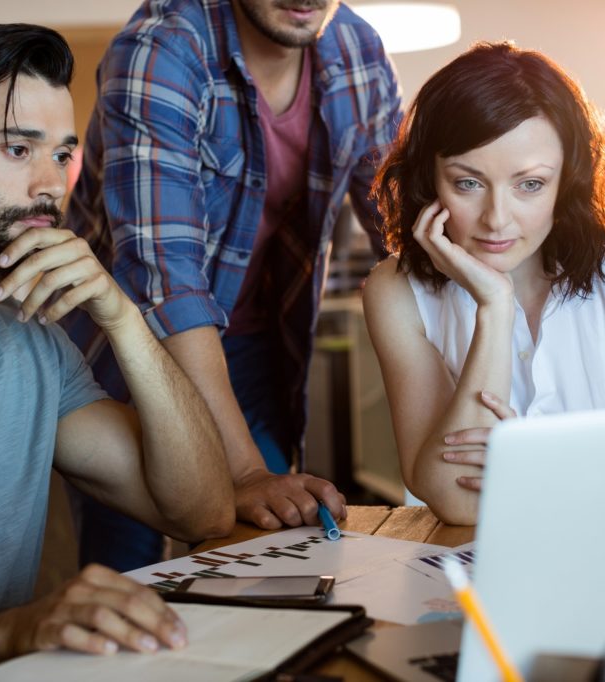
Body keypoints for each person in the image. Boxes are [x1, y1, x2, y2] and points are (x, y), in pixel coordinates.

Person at [0, 24, 234, 681]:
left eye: (62, 156)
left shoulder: (39, 347)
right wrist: (19, 630)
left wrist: (122, 317)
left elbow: (202, 510)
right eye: (19, 149)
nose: (49, 185)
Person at [64, 0, 404, 570]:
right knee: (134, 565)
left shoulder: (357, 50)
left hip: (259, 346)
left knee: (276, 544)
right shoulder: (161, 49)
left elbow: (403, 233)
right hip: (129, 351)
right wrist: (243, 472)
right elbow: (164, 282)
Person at [364, 41, 605, 526]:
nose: (496, 219)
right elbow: (457, 503)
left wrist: (547, 473)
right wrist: (494, 307)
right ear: (429, 180)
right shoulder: (395, 292)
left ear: (566, 181)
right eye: (468, 183)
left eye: (530, 184)